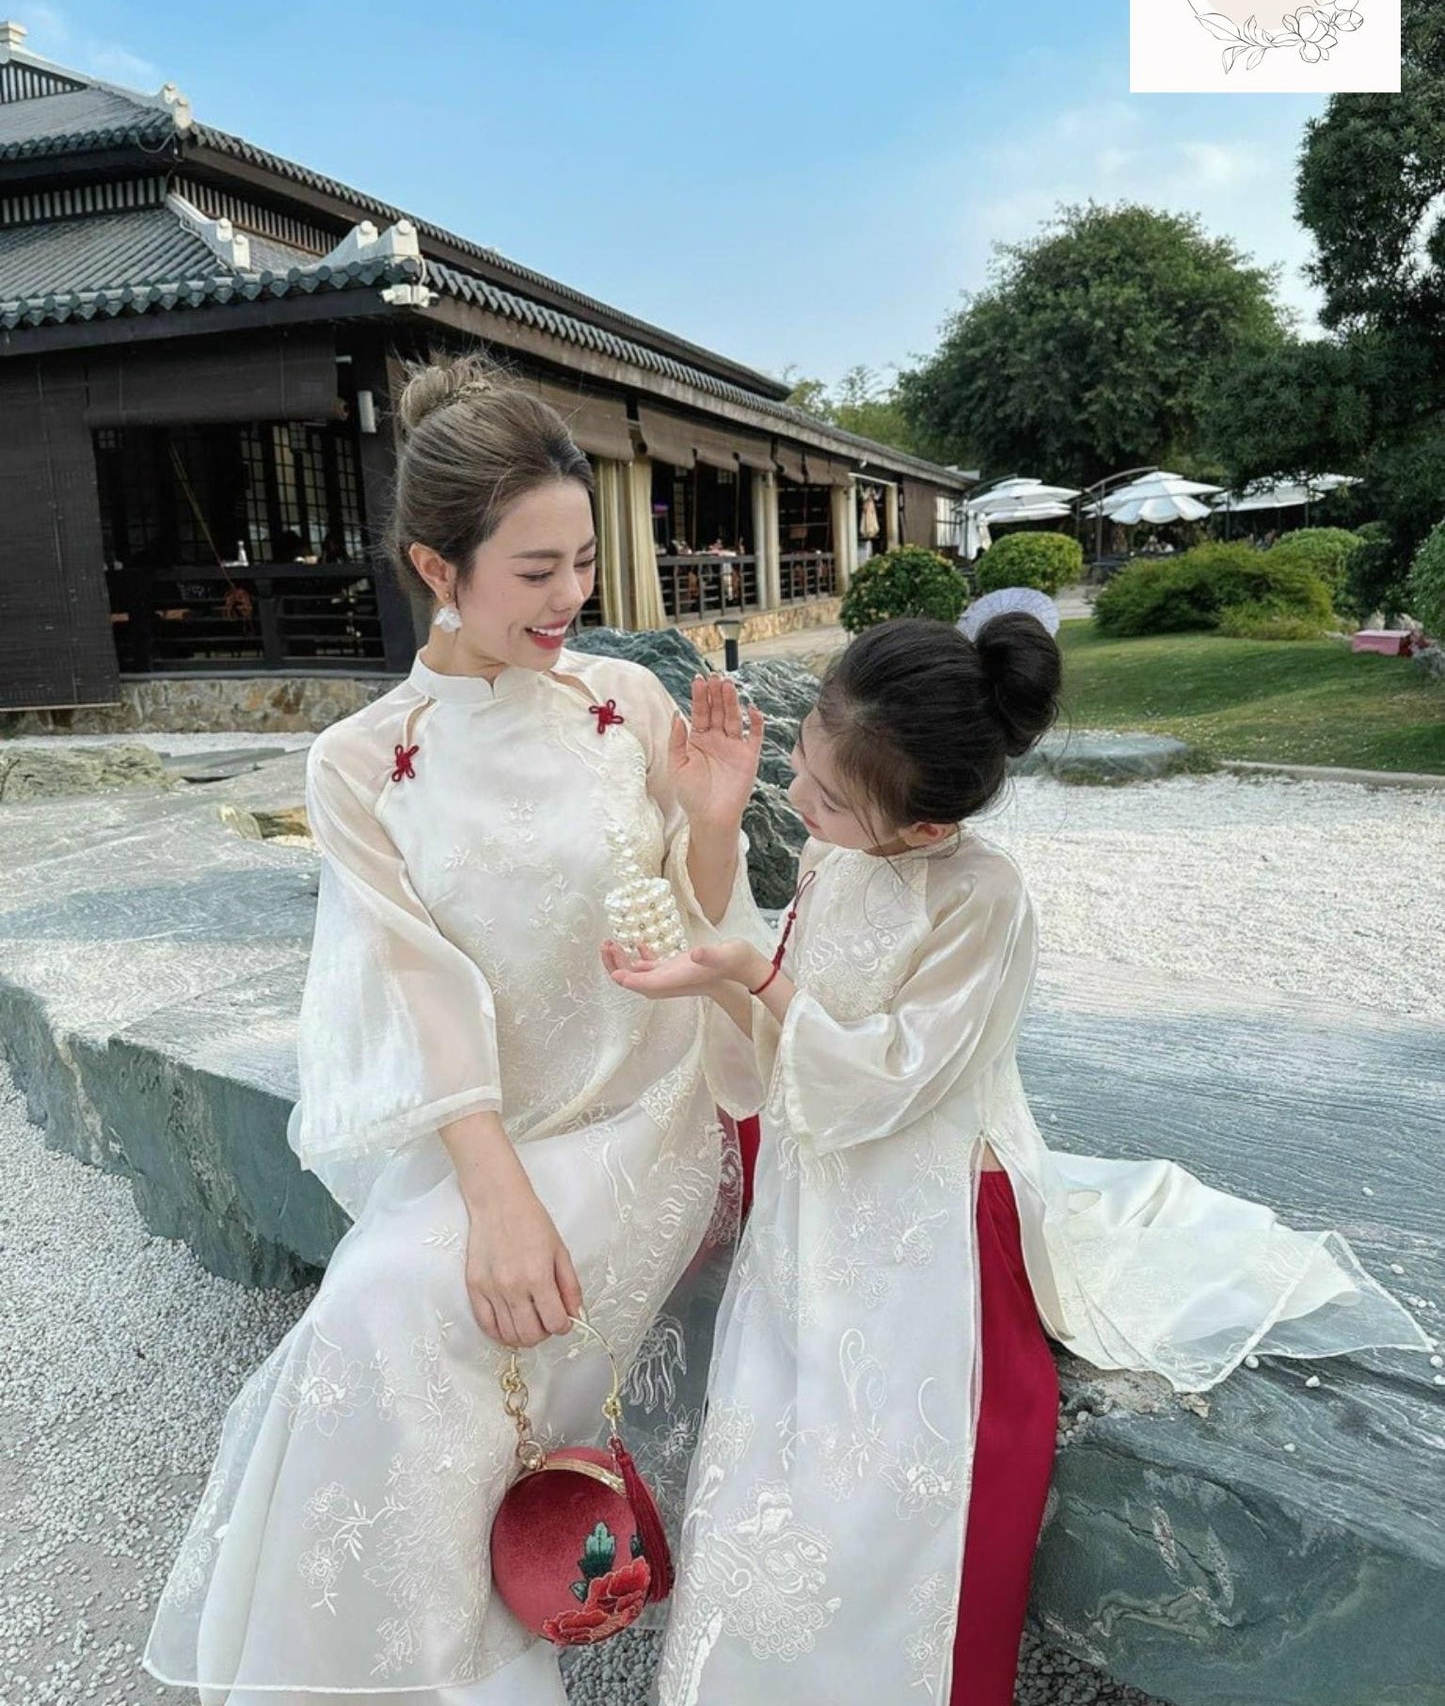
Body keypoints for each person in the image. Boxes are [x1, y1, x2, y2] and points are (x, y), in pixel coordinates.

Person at [602, 601, 1434, 1706]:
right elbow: (768, 1014)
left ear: (925, 829)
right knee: (766, 1436)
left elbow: (889, 1079)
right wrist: (715, 832)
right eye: (800, 764)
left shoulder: (982, 899)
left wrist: (750, 978)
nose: (797, 799)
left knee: (885, 1468)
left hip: (930, 1190)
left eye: (828, 797)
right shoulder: (837, 854)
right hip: (819, 1173)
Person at [141, 356, 768, 1704]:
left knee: (404, 1315)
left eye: (583, 561)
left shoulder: (625, 704)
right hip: (486, 1125)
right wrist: (494, 1194)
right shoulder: (360, 761)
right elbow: (419, 986)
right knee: (378, 1312)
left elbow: (701, 925)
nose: (570, 596)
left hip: (644, 1106)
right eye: (534, 570)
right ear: (438, 565)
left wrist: (714, 821)